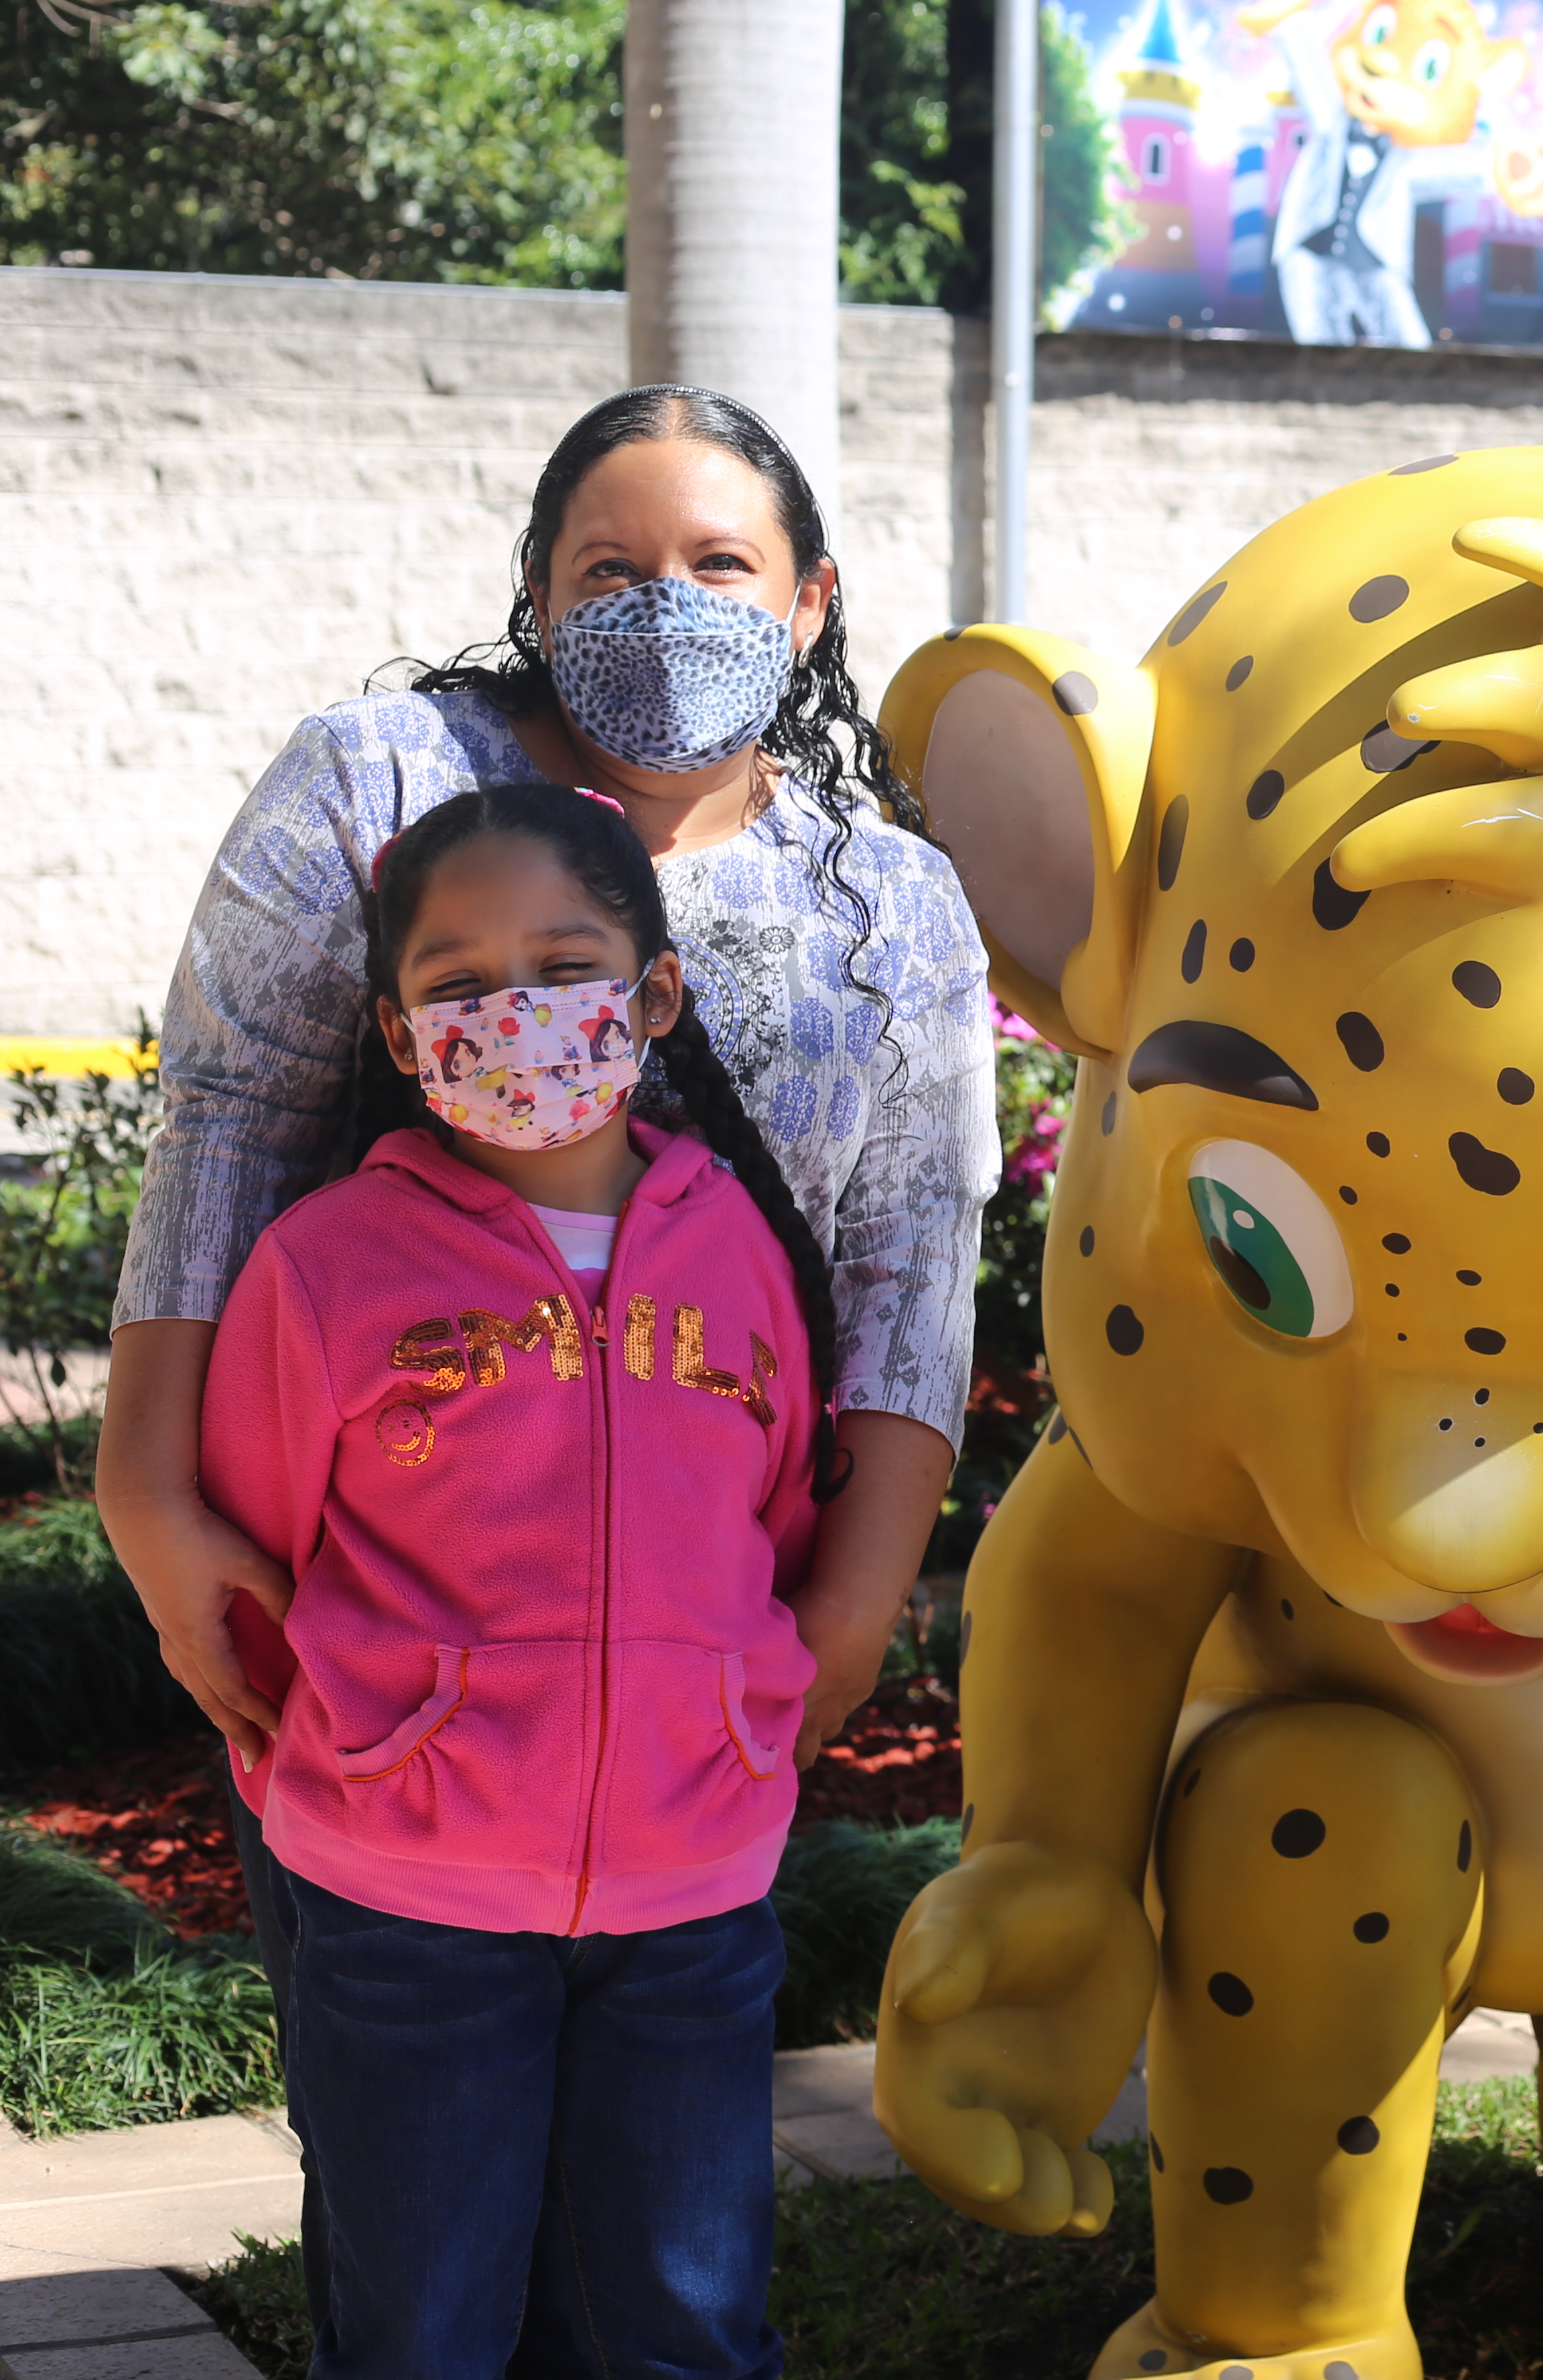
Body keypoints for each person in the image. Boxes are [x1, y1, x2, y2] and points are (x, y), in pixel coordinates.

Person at [90, 385, 993, 2322]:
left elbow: (915, 1251)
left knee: (667, 2283)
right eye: (611, 567)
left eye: (720, 565)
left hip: (695, 1680)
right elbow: (231, 1117)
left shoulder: (891, 898)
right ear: (535, 591)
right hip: (399, 1634)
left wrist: (854, 1598)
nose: (666, 603)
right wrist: (147, 1491)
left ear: (812, 601)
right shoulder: (376, 777)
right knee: (422, 2252)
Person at [211, 783, 864, 2370]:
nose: (515, 1015)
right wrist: (383, 1744)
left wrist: (732, 1708)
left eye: (564, 963)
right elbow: (262, 1541)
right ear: (398, 1026)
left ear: (651, 994)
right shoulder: (328, 1268)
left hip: (691, 1896)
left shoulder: (742, 1254)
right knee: (421, 2330)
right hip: (408, 1900)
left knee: (683, 2328)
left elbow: (770, 1521)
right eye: (458, 986)